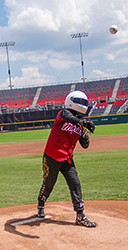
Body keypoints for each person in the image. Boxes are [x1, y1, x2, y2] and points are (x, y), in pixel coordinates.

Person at [37, 90, 97, 227]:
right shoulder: (63, 114)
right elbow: (67, 116)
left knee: (75, 184)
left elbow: (85, 145)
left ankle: (80, 216)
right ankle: (41, 203)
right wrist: (82, 122)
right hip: (52, 156)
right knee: (49, 185)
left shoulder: (80, 124)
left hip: (67, 159)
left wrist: (84, 132)